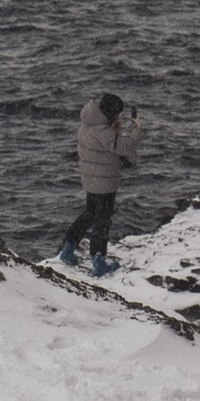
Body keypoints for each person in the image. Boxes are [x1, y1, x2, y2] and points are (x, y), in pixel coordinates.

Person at [57, 90, 140, 274]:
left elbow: (106, 147)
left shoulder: (88, 124)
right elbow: (125, 147)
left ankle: (68, 248)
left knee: (90, 213)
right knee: (103, 219)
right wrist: (137, 129)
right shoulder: (102, 130)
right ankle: (98, 262)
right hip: (104, 181)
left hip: (92, 178)